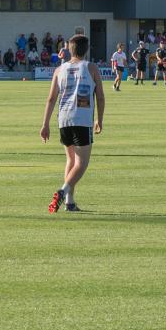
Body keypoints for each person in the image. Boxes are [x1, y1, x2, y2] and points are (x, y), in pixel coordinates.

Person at [41, 34, 104, 213]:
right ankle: (63, 191)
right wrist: (100, 119)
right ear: (87, 49)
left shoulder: (59, 70)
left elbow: (51, 98)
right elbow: (100, 96)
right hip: (82, 119)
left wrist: (45, 124)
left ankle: (69, 202)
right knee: (81, 163)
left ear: (69, 49)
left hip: (64, 118)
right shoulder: (91, 67)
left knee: (70, 160)